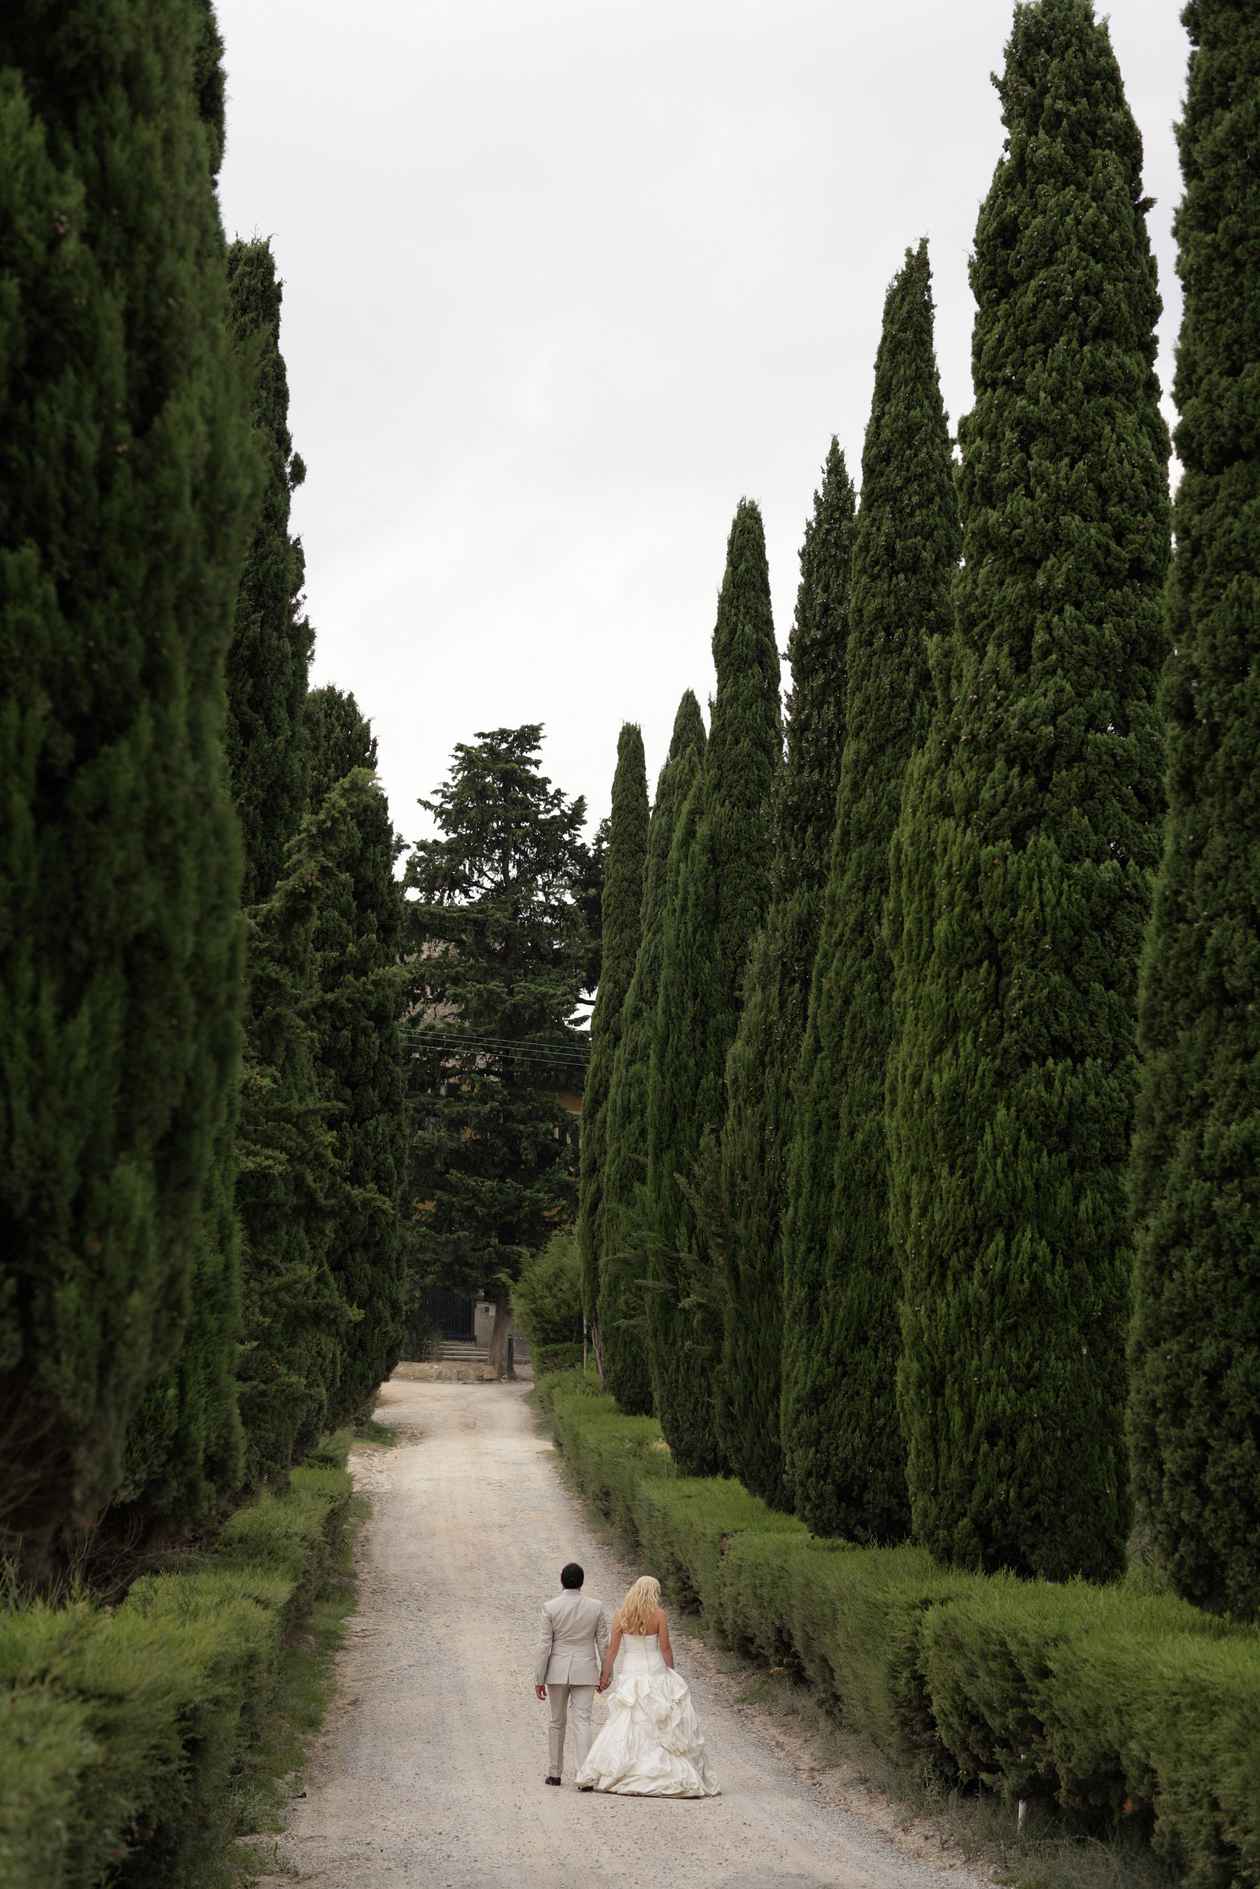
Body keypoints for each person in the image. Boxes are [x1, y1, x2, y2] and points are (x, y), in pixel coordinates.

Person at [574, 1575, 719, 1797]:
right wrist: (671, 1671)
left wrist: (605, 1675)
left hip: (632, 1671)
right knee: (658, 1721)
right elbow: (665, 1648)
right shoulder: (659, 1615)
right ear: (654, 1593)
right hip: (655, 1671)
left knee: (626, 1721)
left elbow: (612, 1650)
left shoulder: (622, 1615)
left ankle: (619, 1770)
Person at [534, 1562, 610, 1787]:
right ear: (582, 1582)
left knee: (557, 1721)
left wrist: (539, 1678)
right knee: (583, 1721)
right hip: (586, 1669)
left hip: (557, 1670)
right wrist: (606, 1673)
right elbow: (603, 1643)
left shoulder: (550, 1607)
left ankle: (555, 1773)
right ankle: (584, 1774)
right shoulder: (595, 1607)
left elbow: (543, 1645)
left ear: (561, 1580)